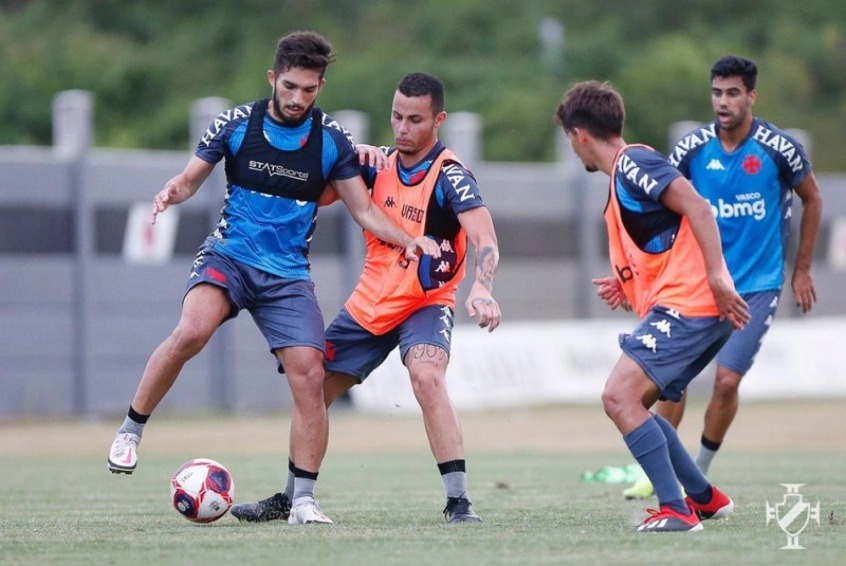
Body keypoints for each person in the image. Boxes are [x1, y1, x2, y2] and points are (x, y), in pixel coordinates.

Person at [106, 32, 439, 526]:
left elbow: (365, 210)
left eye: (309, 89)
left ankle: (302, 500)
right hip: (230, 258)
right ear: (272, 79)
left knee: (311, 373)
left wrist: (409, 238)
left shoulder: (331, 140)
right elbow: (189, 178)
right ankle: (131, 431)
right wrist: (169, 193)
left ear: (320, 86)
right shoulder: (236, 124)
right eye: (290, 86)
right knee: (192, 330)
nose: (298, 98)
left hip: (286, 277)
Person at [229, 71, 501, 524]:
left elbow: (484, 238)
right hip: (371, 305)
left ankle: (459, 501)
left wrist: (484, 287)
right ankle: (293, 496)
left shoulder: (451, 176)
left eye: (415, 119)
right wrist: (340, 162)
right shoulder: (374, 165)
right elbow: (310, 196)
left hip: (425, 303)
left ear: (439, 120)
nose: (402, 128)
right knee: (311, 388)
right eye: (396, 116)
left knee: (427, 377)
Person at [622, 55, 823, 500]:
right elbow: (664, 208)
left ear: (751, 95)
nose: (723, 102)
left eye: (733, 93)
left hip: (756, 285)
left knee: (726, 380)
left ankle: (700, 467)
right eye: (717, 92)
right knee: (671, 377)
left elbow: (814, 199)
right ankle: (661, 473)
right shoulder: (692, 150)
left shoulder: (779, 148)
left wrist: (802, 268)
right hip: (699, 283)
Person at [555, 80, 751, 532]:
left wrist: (719, 277)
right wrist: (629, 285)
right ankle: (703, 498)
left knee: (618, 396)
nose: (574, 149)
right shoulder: (624, 180)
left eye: (570, 140)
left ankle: (676, 510)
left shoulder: (634, 164)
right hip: (692, 305)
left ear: (580, 134)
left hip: (694, 303)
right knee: (636, 401)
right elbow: (667, 241)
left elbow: (698, 208)